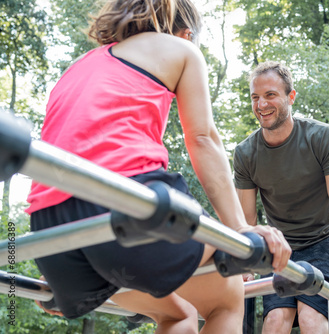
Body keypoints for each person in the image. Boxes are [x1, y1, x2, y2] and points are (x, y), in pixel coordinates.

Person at [25, 2, 291, 333]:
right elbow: (203, 140)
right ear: (187, 34)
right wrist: (241, 229)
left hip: (51, 233)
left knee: (179, 314)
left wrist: (60, 255)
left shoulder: (79, 66)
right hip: (128, 205)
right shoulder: (180, 49)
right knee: (228, 297)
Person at [233, 61, 329, 334]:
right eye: (255, 97)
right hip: (279, 247)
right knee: (275, 320)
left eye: (270, 95)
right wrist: (246, 264)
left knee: (311, 319)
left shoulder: (323, 137)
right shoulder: (246, 153)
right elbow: (247, 219)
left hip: (323, 242)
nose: (261, 104)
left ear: (290, 97)